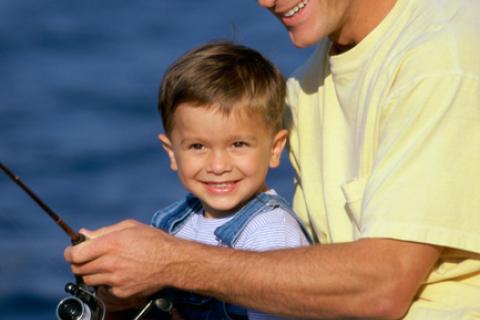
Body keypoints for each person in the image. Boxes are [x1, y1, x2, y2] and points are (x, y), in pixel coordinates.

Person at [65, 0, 480, 318]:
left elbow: (383, 287)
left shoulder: (444, 62)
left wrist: (169, 262)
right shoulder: (304, 87)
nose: (266, 1)